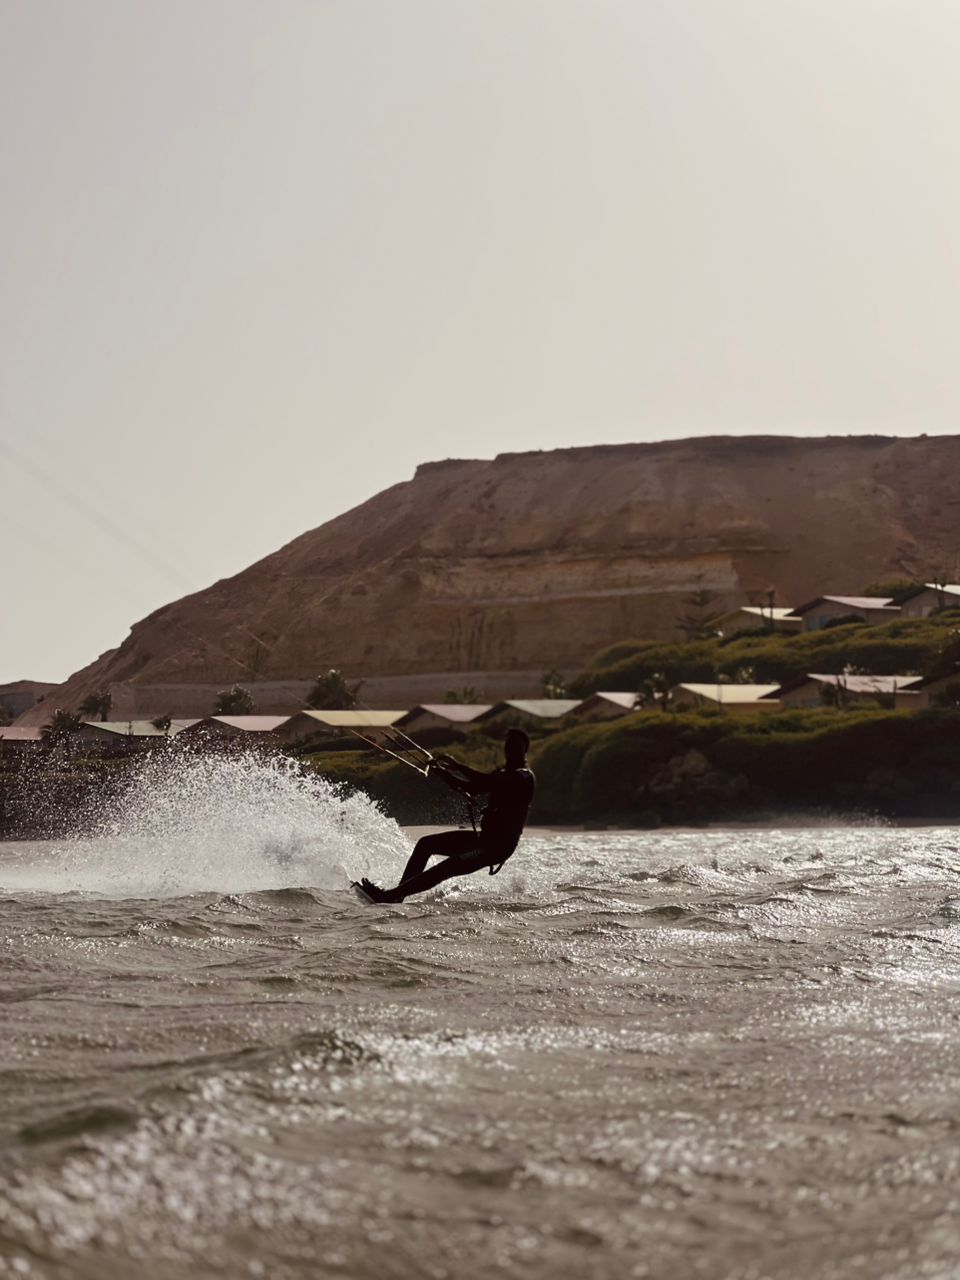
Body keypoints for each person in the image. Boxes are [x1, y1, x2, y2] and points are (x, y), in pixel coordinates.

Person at [358, 728, 536, 903]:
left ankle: (388, 897)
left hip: (496, 846)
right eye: (508, 746)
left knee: (445, 869)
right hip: (484, 839)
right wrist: (444, 773)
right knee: (425, 844)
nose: (511, 750)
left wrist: (456, 767)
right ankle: (397, 896)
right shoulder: (503, 774)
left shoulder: (523, 777)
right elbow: (472, 788)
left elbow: (483, 782)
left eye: (515, 747)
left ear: (524, 751)